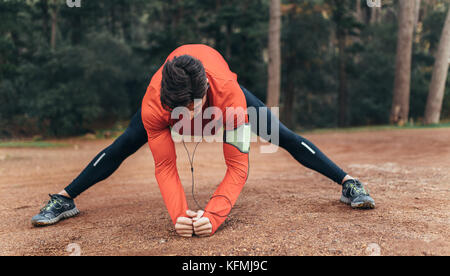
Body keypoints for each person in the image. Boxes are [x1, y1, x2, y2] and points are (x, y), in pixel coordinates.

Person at [31, 44, 375, 237]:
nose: (184, 119)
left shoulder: (228, 97)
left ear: (204, 93)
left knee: (280, 134)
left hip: (226, 97)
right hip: (167, 102)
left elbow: (238, 168)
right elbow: (165, 165)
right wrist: (180, 215)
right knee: (124, 144)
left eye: (190, 110)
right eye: (176, 111)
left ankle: (349, 182)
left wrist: (214, 216)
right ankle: (64, 199)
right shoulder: (157, 102)